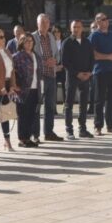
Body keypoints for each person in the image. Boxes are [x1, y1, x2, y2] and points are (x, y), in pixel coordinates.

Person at [89, 13, 112, 135]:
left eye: (107, 19)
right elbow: (93, 54)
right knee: (99, 99)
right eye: (103, 19)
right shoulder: (94, 36)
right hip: (100, 71)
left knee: (111, 99)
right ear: (98, 22)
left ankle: (111, 125)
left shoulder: (111, 35)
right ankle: (97, 126)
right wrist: (110, 57)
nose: (106, 21)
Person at [31, 13, 63, 142]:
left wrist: (54, 60)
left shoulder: (51, 36)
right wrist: (44, 62)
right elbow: (30, 55)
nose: (45, 25)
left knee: (50, 106)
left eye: (47, 22)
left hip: (51, 76)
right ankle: (35, 134)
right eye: (42, 22)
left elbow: (58, 55)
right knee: (37, 106)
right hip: (39, 77)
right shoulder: (32, 37)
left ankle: (49, 132)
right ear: (37, 24)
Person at [61, 19, 94, 139]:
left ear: (82, 28)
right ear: (71, 28)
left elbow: (92, 58)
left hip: (85, 78)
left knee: (84, 104)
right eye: (74, 27)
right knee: (69, 104)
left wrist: (89, 72)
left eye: (78, 27)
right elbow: (65, 62)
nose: (76, 29)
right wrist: (77, 73)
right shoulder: (67, 43)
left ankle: (83, 129)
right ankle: (69, 130)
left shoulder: (87, 42)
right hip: (72, 78)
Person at [12, 34, 40, 148]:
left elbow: (38, 71)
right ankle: (22, 139)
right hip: (23, 90)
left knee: (31, 115)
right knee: (23, 115)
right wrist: (15, 85)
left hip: (35, 88)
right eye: (26, 41)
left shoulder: (35, 55)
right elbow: (11, 72)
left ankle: (28, 138)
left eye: (31, 41)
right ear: (22, 43)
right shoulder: (17, 56)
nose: (29, 43)